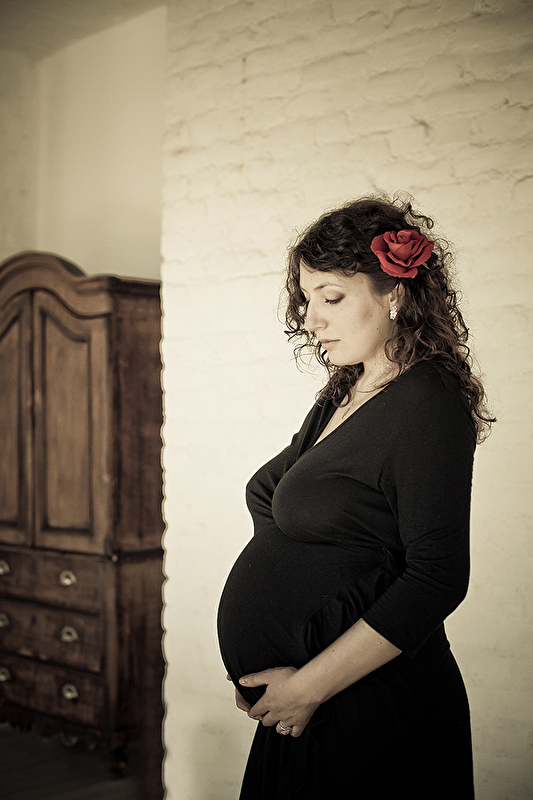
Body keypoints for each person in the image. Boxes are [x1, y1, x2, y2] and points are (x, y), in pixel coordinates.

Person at [217, 195, 494, 799]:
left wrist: (307, 684)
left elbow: (438, 577)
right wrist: (281, 627)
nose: (311, 319)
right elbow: (277, 502)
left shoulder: (428, 403)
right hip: (308, 702)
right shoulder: (344, 391)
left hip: (369, 705)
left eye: (332, 297)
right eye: (306, 298)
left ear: (394, 293)